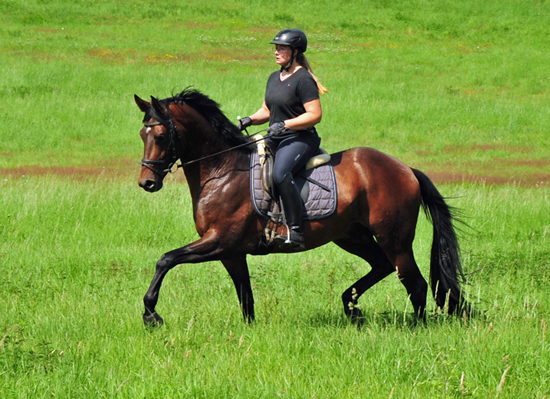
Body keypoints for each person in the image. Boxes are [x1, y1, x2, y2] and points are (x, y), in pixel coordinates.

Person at [238, 28, 328, 249]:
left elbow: (314, 115)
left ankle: (296, 231)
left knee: (280, 173)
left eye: (282, 48)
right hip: (277, 137)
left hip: (301, 138)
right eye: (275, 48)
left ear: (295, 51)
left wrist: (285, 124)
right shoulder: (274, 77)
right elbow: (267, 110)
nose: (276, 52)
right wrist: (249, 119)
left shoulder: (304, 79)